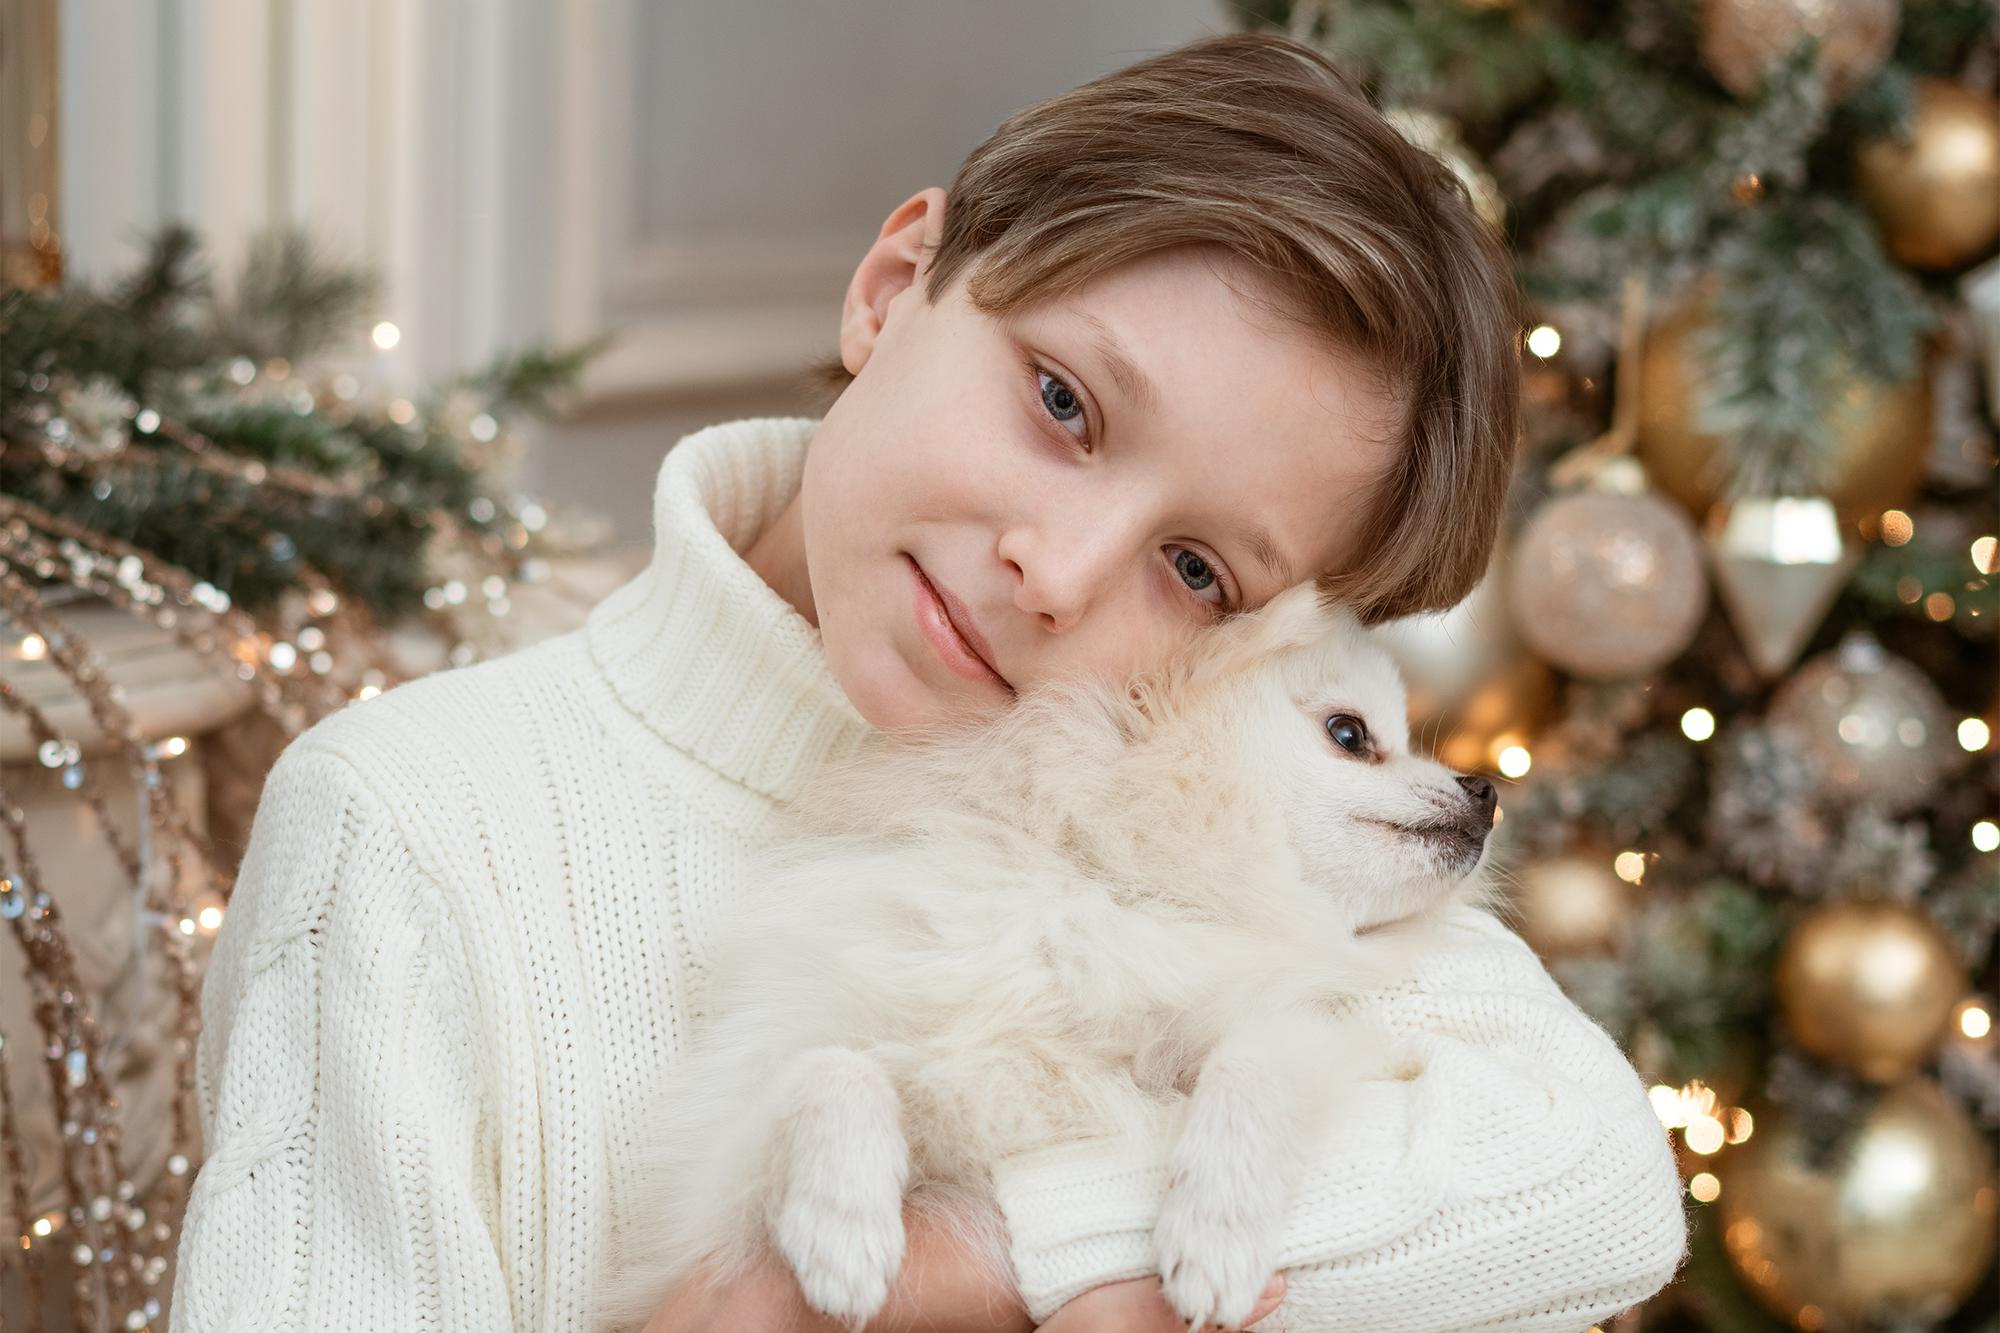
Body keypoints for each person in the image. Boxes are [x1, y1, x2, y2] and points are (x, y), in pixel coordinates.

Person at [169, 30, 1688, 1333]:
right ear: (894, 287)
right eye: (1064, 403)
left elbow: (1594, 1175)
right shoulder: (410, 830)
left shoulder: (1205, 821)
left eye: (1199, 570)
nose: (1061, 568)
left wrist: (988, 1247)